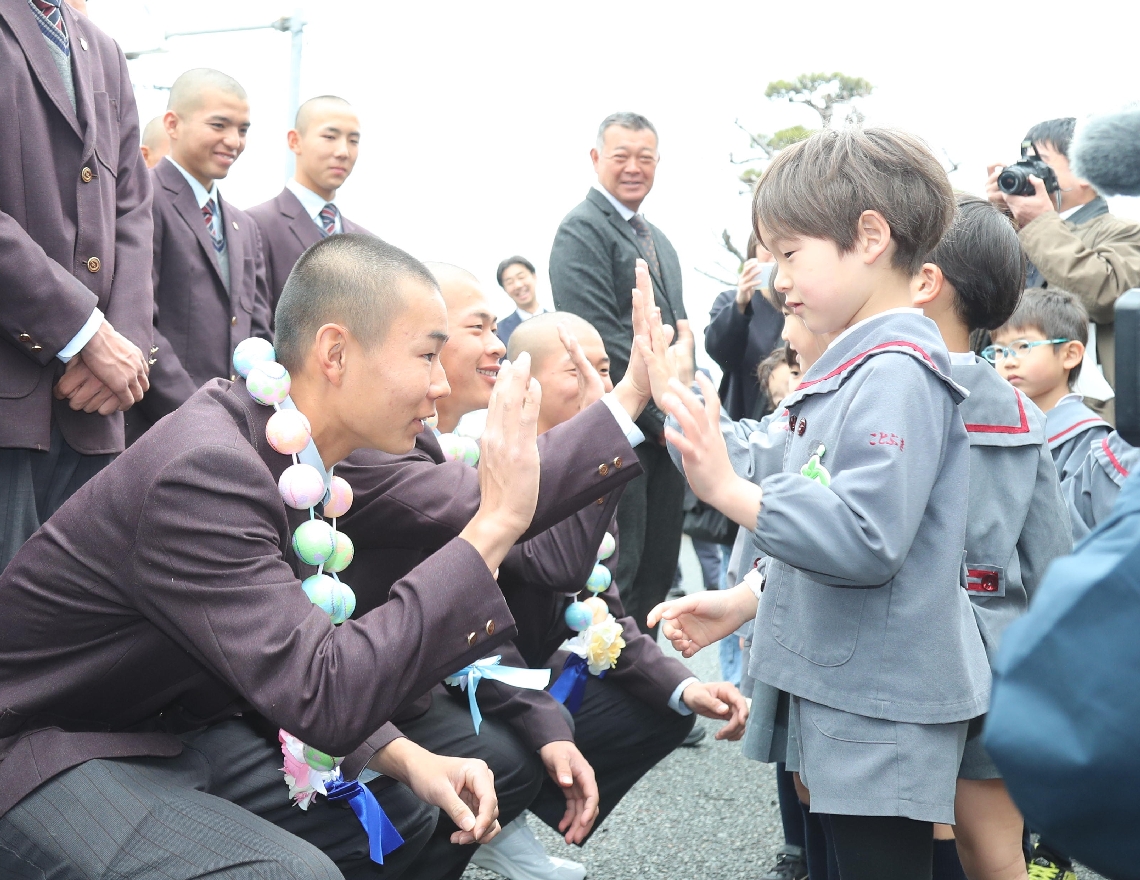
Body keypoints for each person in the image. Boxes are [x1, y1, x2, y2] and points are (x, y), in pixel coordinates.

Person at [0, 234, 550, 879]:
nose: (441, 384)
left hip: (168, 724)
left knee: (399, 816)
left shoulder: (289, 455)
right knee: (289, 872)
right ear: (335, 353)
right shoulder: (208, 469)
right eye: (428, 355)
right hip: (50, 745)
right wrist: (496, 524)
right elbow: (320, 688)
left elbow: (283, 655)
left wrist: (405, 756)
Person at [648, 128, 991, 880]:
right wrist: (672, 398)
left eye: (790, 253)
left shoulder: (896, 371)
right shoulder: (856, 368)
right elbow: (769, 461)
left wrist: (729, 492)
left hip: (882, 699)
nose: (777, 280)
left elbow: (866, 537)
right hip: (855, 690)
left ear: (869, 237)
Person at [333, 262, 639, 880]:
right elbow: (539, 546)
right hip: (345, 696)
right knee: (497, 762)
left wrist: (550, 723)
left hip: (411, 679)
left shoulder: (443, 446)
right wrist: (618, 409)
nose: (499, 345)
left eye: (498, 328)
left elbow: (509, 587)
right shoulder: (371, 454)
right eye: (477, 328)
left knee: (536, 741)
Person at [914, 195, 1073, 880]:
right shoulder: (1016, 409)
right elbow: (1051, 562)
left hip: (903, 659)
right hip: (998, 655)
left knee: (902, 842)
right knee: (996, 850)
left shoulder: (888, 392)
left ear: (924, 279)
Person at [0, 0, 153, 570]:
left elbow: (132, 210)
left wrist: (123, 346)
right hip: (9, 407)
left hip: (94, 412)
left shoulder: (103, 50)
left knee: (75, 618)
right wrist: (85, 332)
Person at [549, 111, 689, 638]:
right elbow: (600, 338)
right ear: (595, 159)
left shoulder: (660, 241)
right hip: (623, 431)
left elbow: (677, 333)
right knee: (617, 574)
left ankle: (646, 678)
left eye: (645, 158)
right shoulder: (581, 230)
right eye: (621, 156)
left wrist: (681, 414)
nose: (634, 168)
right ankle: (605, 683)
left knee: (657, 572)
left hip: (666, 433)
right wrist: (660, 418)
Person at [129, 68, 272, 443]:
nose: (234, 141)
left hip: (232, 430)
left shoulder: (244, 226)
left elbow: (258, 332)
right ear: (172, 124)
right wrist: (197, 415)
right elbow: (137, 319)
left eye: (243, 130)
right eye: (219, 125)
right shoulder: (141, 198)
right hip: (158, 430)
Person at [986, 117, 1140, 422]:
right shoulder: (1022, 233)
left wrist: (1039, 222)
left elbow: (1105, 294)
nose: (1030, 173)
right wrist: (999, 220)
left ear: (1085, 173)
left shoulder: (1124, 232)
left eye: (1041, 162)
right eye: (1024, 162)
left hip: (1088, 416)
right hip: (1009, 411)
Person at [248, 95, 373, 313]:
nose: (343, 152)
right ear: (295, 141)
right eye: (330, 137)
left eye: (353, 141)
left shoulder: (368, 243)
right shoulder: (255, 225)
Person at [987, 288, 1110, 482]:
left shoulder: (1088, 438)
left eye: (1023, 346)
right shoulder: (995, 427)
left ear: (1070, 355)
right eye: (1000, 350)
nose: (1008, 361)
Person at [705, 232, 785, 421]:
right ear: (753, 251)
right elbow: (720, 353)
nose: (773, 252)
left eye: (782, 243)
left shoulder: (802, 304)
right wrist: (740, 304)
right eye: (766, 245)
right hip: (743, 418)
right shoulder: (729, 301)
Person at [495, 255, 547, 349]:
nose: (518, 285)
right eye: (510, 282)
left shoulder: (559, 320)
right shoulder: (499, 333)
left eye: (521, 277)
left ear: (534, 277)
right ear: (504, 289)